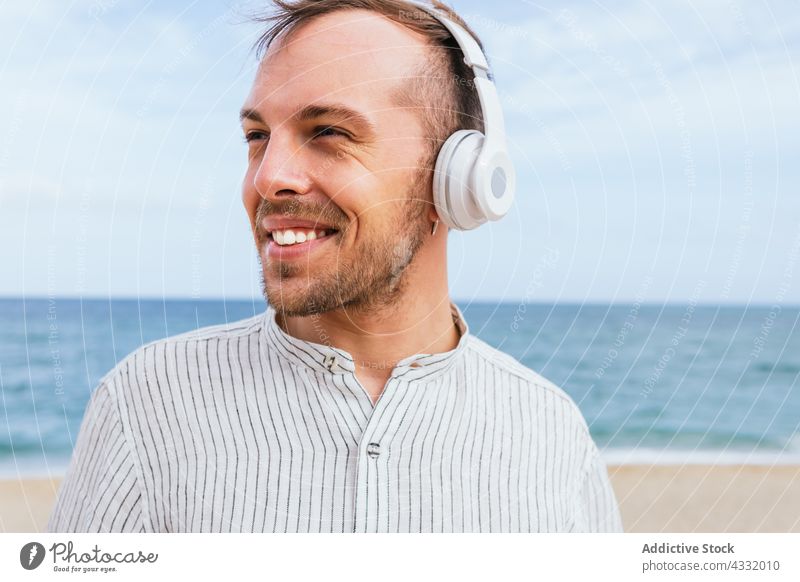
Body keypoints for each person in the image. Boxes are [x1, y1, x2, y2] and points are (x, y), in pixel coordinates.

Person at [48, 0, 623, 533]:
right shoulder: (144, 404)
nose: (268, 177)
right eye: (257, 136)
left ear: (459, 177)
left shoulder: (551, 434)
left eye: (328, 132)